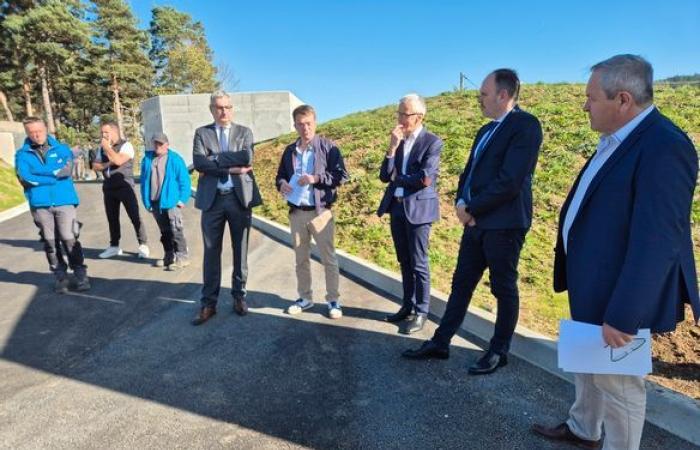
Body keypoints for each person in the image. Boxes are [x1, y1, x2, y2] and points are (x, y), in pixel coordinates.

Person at [531, 55, 700, 450]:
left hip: (622, 294)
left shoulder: (664, 145)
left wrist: (625, 314)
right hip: (593, 282)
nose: (584, 105)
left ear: (623, 100)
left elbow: (659, 240)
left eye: (591, 97)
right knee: (587, 367)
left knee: (620, 385)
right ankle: (583, 429)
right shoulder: (616, 141)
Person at [402, 69, 542, 375]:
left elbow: (511, 180)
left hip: (503, 223)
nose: (479, 99)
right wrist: (460, 202)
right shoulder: (485, 131)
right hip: (475, 222)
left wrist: (473, 208)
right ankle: (441, 342)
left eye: (484, 94)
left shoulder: (525, 126)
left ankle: (498, 351)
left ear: (503, 95)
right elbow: (470, 172)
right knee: (461, 283)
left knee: (503, 288)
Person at [191, 90, 262, 326]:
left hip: (238, 198)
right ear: (212, 109)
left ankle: (239, 296)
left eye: (228, 107)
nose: (224, 112)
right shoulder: (202, 133)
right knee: (211, 252)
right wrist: (230, 168)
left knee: (240, 249)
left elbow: (247, 158)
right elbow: (199, 162)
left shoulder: (244, 132)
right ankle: (208, 303)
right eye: (219, 107)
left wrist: (216, 160)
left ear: (233, 108)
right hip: (213, 200)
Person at [377, 94, 443, 334]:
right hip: (397, 208)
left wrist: (398, 179)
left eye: (405, 114)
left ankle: (422, 311)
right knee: (404, 260)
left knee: (419, 262)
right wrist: (392, 148)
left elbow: (425, 178)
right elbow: (385, 176)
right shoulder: (400, 142)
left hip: (419, 211)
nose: (400, 119)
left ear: (419, 117)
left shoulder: (432, 142)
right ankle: (407, 305)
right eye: (399, 113)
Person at [275, 104, 349, 319]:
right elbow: (279, 176)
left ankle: (333, 300)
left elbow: (341, 176)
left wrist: (315, 179)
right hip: (297, 213)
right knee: (301, 259)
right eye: (300, 124)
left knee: (329, 258)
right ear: (295, 125)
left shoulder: (327, 147)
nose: (304, 128)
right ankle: (305, 298)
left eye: (308, 123)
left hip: (321, 212)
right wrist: (281, 185)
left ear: (315, 123)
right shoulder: (290, 151)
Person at [14, 116, 90, 293]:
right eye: (32, 132)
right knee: (50, 243)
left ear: (46, 129)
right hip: (40, 204)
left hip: (64, 201)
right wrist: (51, 174)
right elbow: (25, 178)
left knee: (69, 238)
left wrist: (40, 174)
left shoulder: (62, 149)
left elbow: (66, 170)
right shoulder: (21, 155)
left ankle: (80, 273)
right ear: (27, 133)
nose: (36, 135)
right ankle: (60, 277)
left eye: (39, 131)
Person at [92, 120, 149, 259]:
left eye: (106, 132)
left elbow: (118, 161)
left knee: (134, 216)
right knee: (112, 218)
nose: (103, 135)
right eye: (102, 133)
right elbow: (95, 166)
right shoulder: (101, 149)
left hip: (125, 186)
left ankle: (143, 244)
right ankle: (114, 246)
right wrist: (109, 160)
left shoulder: (126, 145)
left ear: (114, 131)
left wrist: (107, 150)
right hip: (109, 186)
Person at [139, 132, 191, 271]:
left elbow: (184, 181)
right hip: (155, 202)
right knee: (165, 231)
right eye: (156, 143)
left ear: (167, 145)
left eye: (161, 143)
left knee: (176, 229)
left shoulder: (175, 159)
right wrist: (146, 201)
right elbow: (144, 182)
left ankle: (182, 257)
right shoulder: (147, 159)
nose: (158, 146)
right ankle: (169, 256)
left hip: (172, 201)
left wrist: (182, 199)